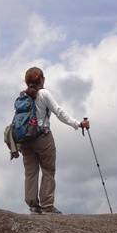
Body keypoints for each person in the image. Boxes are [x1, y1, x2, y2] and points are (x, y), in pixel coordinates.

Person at [19, 66, 90, 214]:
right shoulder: (43, 93)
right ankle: (46, 206)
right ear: (42, 79)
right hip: (42, 137)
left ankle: (33, 206)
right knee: (48, 170)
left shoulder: (22, 96)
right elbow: (59, 112)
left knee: (30, 172)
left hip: (25, 139)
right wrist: (77, 124)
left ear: (26, 82)